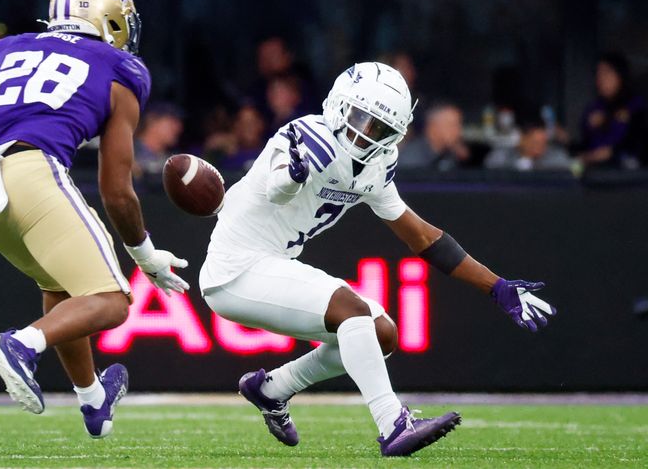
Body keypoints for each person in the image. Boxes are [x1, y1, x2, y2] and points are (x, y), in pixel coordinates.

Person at [199, 62, 556, 457]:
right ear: (338, 106)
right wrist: (293, 177)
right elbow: (279, 187)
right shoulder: (308, 134)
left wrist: (496, 286)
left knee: (381, 333)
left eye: (380, 129)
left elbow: (421, 236)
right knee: (351, 312)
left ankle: (271, 390)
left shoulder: (376, 163)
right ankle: (393, 424)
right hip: (236, 269)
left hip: (272, 262)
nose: (366, 134)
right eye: (361, 118)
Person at [0, 0, 189, 438]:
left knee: (61, 286)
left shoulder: (8, 48)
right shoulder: (123, 69)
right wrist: (146, 257)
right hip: (33, 172)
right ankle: (19, 344)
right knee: (112, 300)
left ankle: (93, 398)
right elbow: (116, 189)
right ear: (109, 17)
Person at [579, 53, 646, 168]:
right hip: (595, 172)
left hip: (629, 173)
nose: (601, 79)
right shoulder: (594, 108)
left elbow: (639, 142)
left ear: (620, 75)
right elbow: (585, 144)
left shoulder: (636, 105)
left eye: (606, 73)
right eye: (598, 74)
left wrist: (613, 152)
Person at [398, 103, 470, 170]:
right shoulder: (412, 158)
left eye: (459, 125)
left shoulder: (451, 155)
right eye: (452, 125)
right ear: (433, 127)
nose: (458, 131)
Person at [484, 121, 571, 171]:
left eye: (544, 143)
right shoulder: (501, 156)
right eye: (535, 143)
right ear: (522, 139)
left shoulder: (557, 157)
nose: (541, 148)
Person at [132, 102, 184, 180]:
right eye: (172, 122)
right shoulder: (128, 153)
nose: (179, 128)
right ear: (152, 120)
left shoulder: (173, 160)